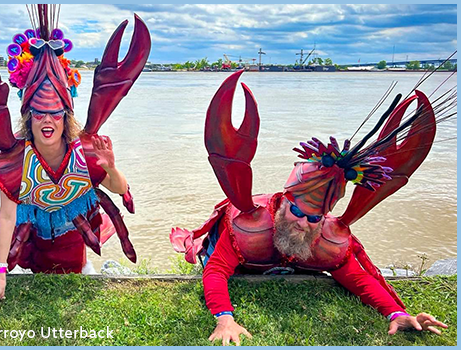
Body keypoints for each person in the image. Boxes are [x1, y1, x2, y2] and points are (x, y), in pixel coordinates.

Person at [170, 71, 449, 345]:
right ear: (284, 202)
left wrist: (396, 312)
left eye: (314, 217)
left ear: (324, 217)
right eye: (297, 212)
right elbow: (217, 271)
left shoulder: (326, 239)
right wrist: (224, 318)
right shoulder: (249, 226)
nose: (303, 223)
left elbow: (358, 279)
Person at [0, 5, 151, 313]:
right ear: (28, 117)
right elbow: (6, 217)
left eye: (55, 113)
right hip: (32, 246)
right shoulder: (16, 159)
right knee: (29, 267)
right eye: (38, 113)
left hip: (75, 244)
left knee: (79, 275)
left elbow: (121, 190)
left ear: (66, 117)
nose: (47, 120)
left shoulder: (86, 150)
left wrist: (109, 167)